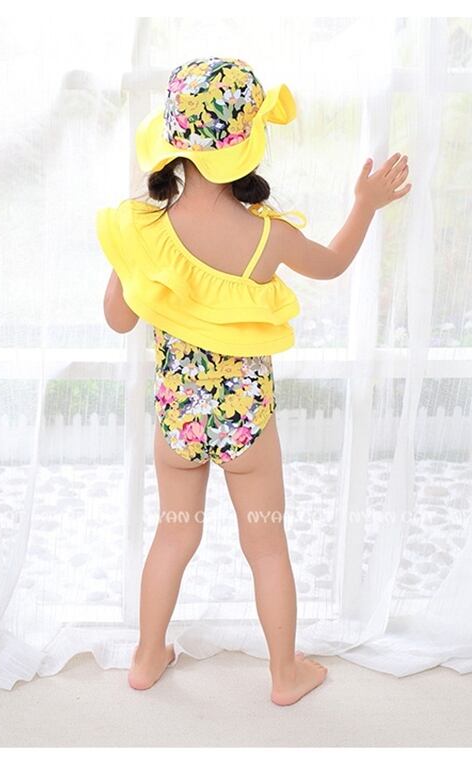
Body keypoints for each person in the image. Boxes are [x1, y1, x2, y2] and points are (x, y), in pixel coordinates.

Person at [96, 57, 411, 705]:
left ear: (173, 143)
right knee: (266, 545)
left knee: (174, 533)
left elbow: (119, 319)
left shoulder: (141, 227)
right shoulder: (269, 237)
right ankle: (284, 674)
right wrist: (365, 203)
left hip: (178, 421)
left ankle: (147, 657)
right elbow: (333, 262)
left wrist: (136, 269)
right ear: (246, 148)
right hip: (246, 425)